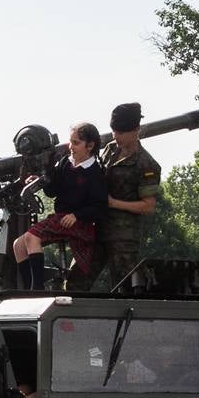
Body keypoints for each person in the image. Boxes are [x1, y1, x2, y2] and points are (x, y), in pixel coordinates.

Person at [11, 122, 108, 290]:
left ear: (90, 146)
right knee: (18, 245)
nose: (71, 147)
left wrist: (77, 215)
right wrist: (40, 180)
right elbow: (52, 190)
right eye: (71, 142)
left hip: (79, 223)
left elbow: (99, 206)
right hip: (61, 218)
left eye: (76, 143)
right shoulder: (65, 163)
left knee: (31, 237)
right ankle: (27, 290)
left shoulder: (95, 172)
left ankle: (37, 290)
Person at [81, 102, 161, 291]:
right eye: (114, 131)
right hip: (95, 229)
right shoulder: (110, 150)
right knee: (77, 280)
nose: (116, 136)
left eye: (122, 132)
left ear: (136, 130)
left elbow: (148, 206)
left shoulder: (146, 164)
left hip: (123, 237)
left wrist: (113, 203)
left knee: (123, 288)